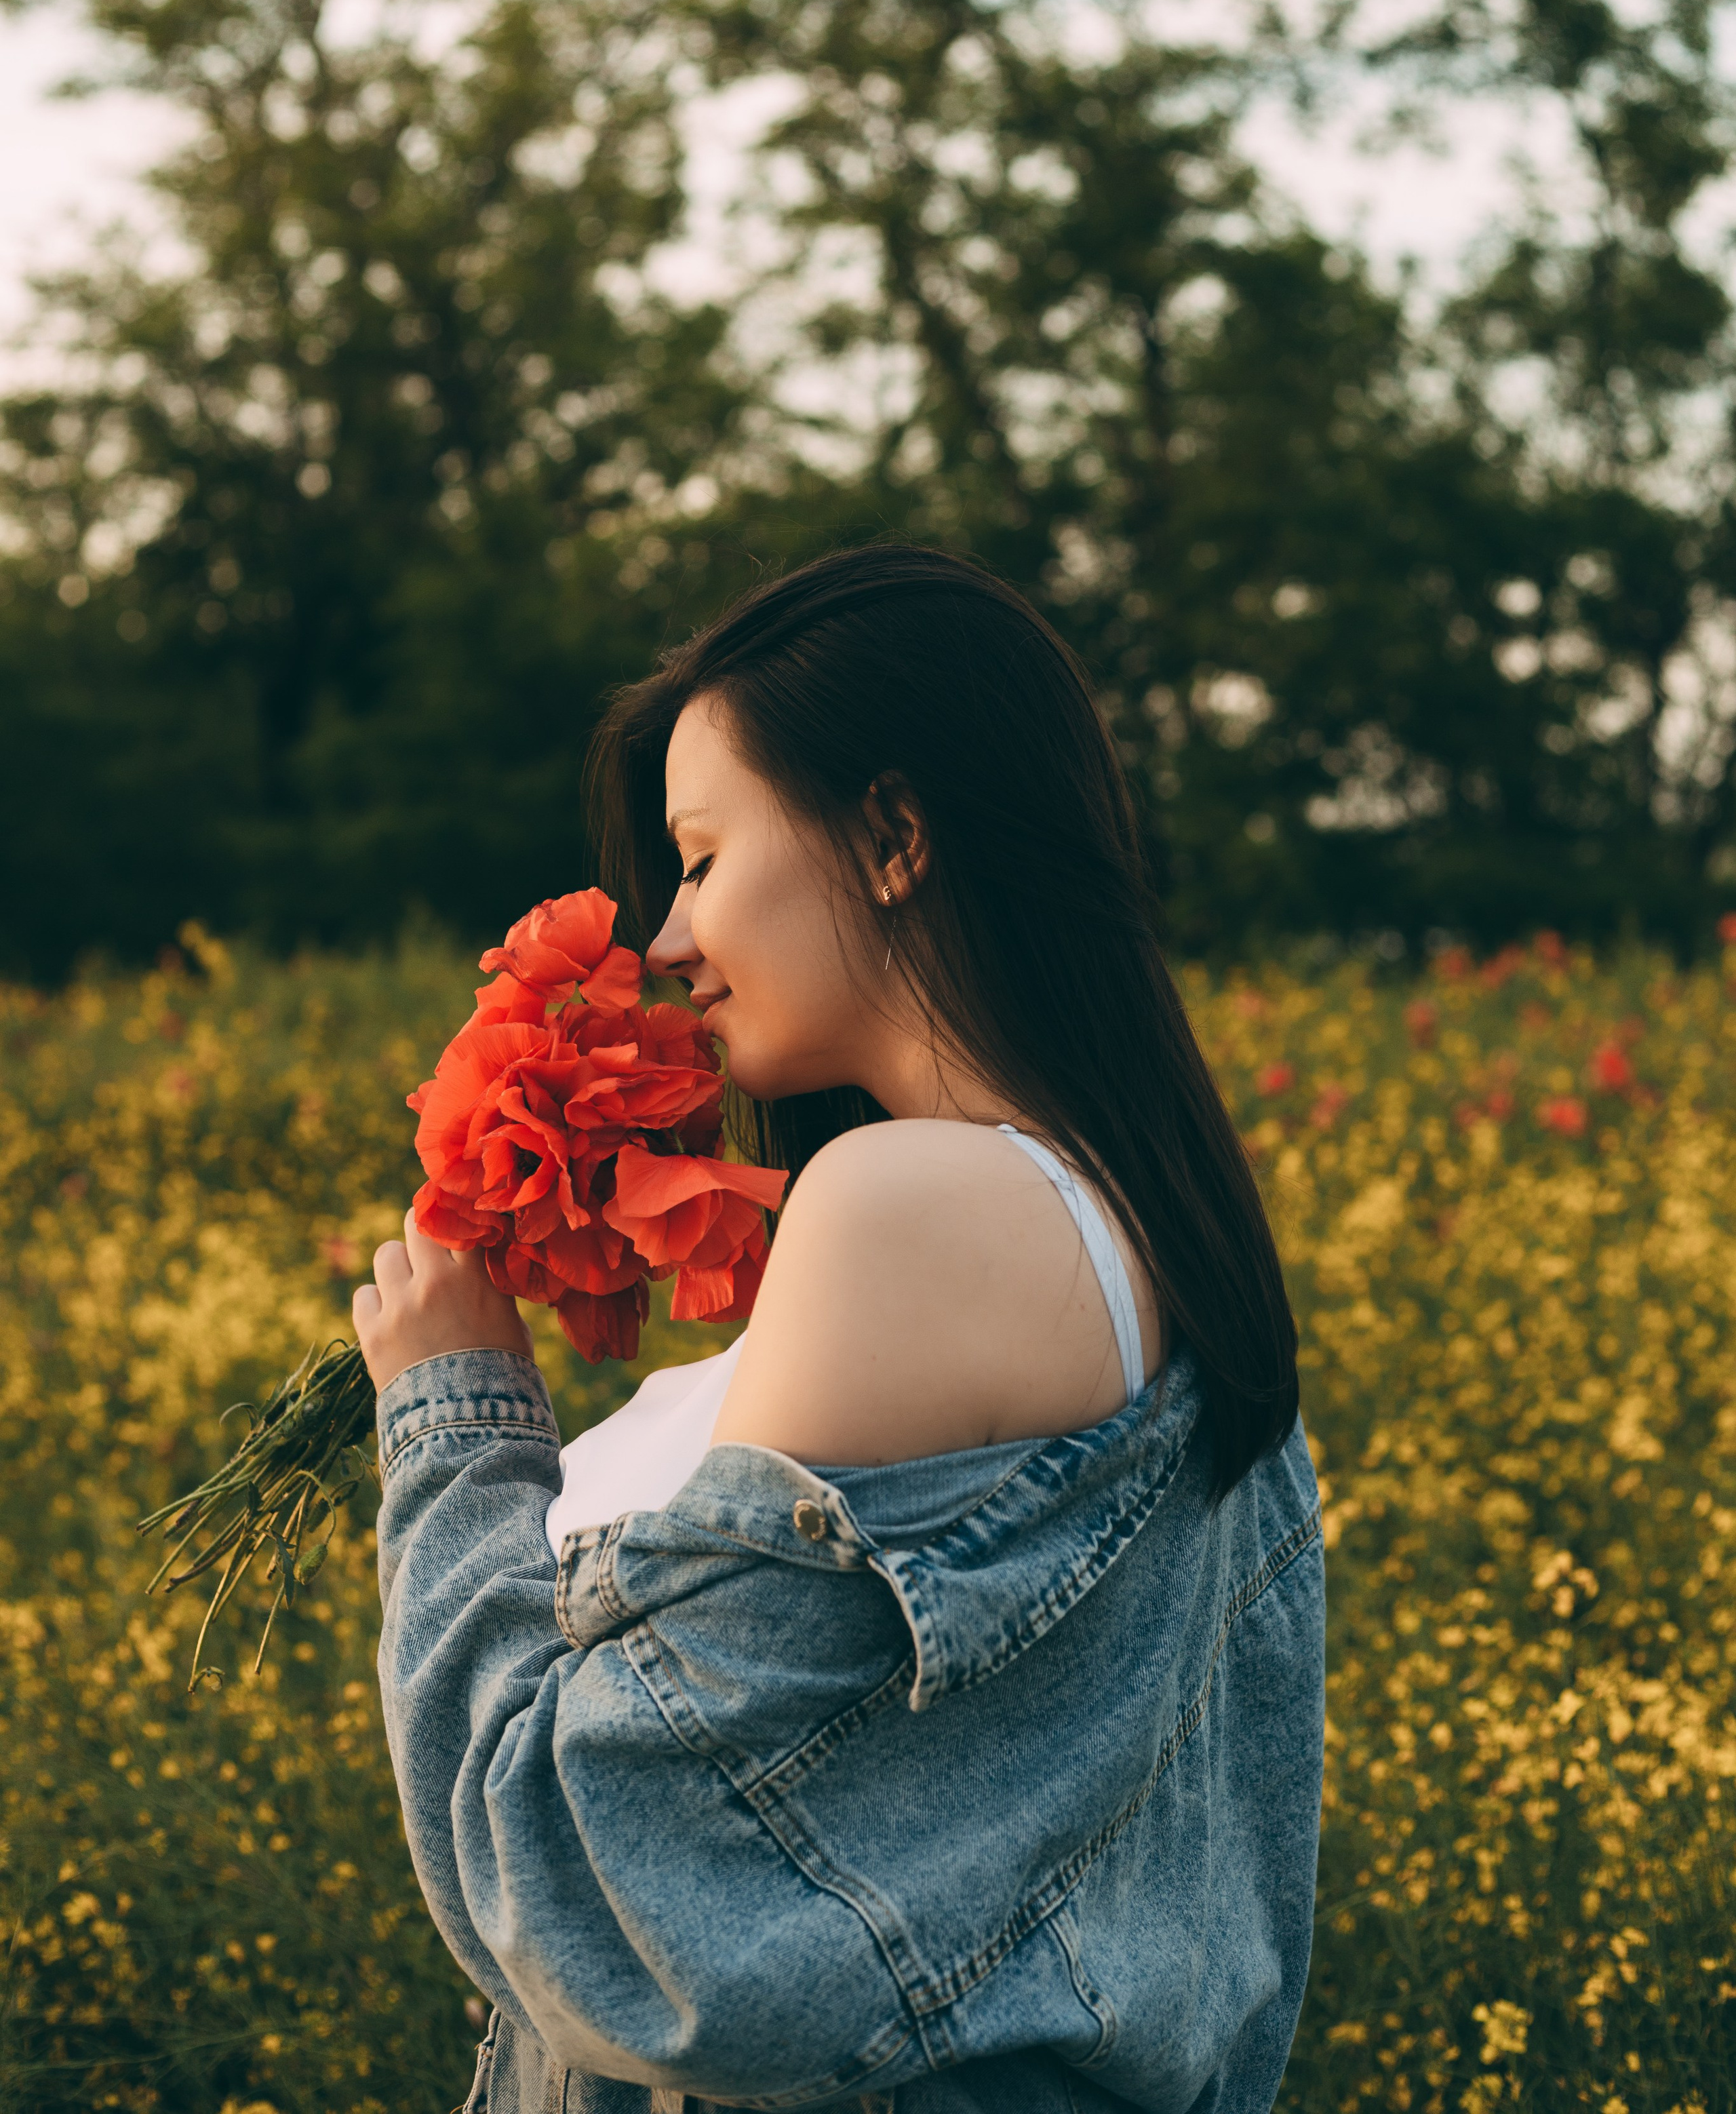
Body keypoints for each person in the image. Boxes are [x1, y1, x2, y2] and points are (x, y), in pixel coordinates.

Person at [355, 545, 1324, 2114]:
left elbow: (601, 1897)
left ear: (889, 837)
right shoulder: (1140, 1222)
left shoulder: (904, 1208)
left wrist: (454, 1420)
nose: (665, 937)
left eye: (700, 854)